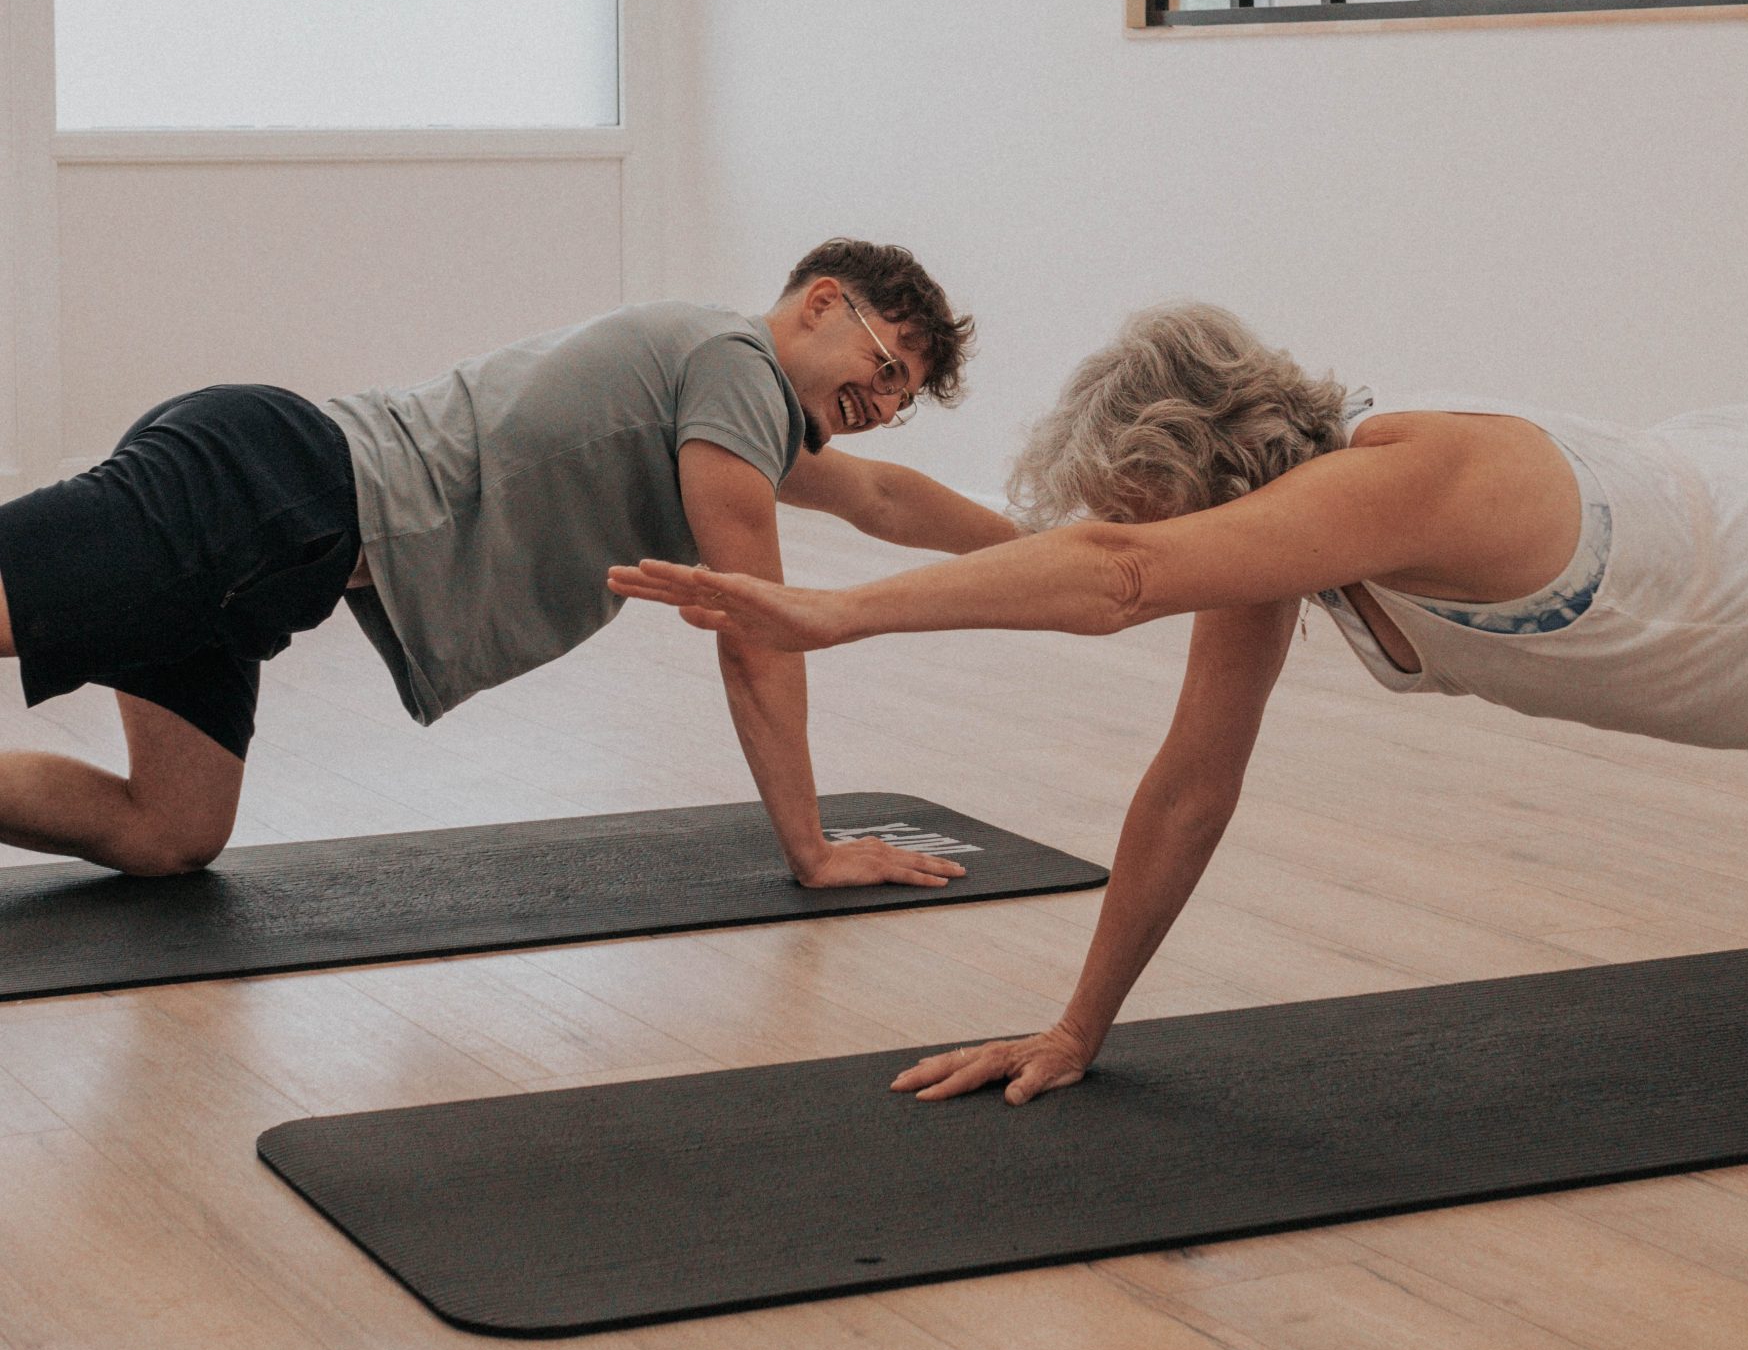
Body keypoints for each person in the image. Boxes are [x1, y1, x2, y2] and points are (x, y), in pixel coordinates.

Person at [618, 301, 1748, 1087]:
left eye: (1147, 515)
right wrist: (1078, 1028)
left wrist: (838, 611)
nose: (1154, 546)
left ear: (1195, 487)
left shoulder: (1417, 477)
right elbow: (1192, 783)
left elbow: (1120, 575)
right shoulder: (1293, 532)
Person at [0, 239, 1016, 886]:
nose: (883, 405)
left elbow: (882, 495)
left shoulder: (733, 405)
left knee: (171, 830)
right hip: (269, 487)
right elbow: (755, 625)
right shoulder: (734, 368)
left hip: (280, 553)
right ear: (821, 302)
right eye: (884, 366)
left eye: (903, 397)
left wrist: (1052, 549)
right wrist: (811, 848)